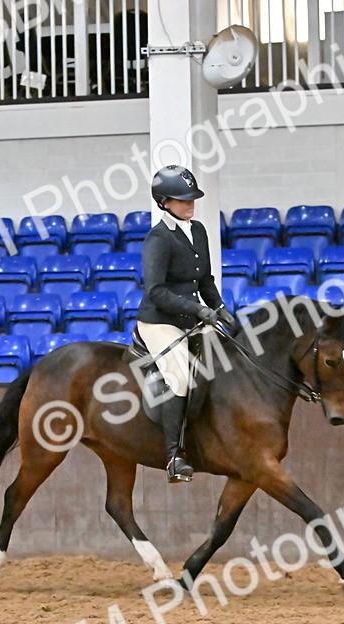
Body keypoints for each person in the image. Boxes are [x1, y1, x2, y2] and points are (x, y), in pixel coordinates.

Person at [136, 165, 237, 483]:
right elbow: (156, 291)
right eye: (182, 199)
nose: (189, 203)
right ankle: (174, 456)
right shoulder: (157, 239)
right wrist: (198, 309)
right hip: (159, 322)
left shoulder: (199, 231)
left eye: (191, 198)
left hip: (192, 318)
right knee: (179, 376)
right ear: (164, 201)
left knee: (227, 358)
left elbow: (205, 280)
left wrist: (220, 307)